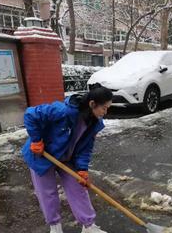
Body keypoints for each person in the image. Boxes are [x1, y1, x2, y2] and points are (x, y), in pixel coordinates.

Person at [22, 84, 113, 233]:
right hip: (42, 154)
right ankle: (55, 228)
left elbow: (85, 148)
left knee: (78, 187)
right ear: (92, 104)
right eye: (104, 108)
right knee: (48, 192)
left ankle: (89, 227)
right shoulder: (62, 111)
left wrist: (82, 169)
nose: (106, 112)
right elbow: (30, 114)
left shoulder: (94, 123)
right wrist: (36, 139)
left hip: (66, 157)